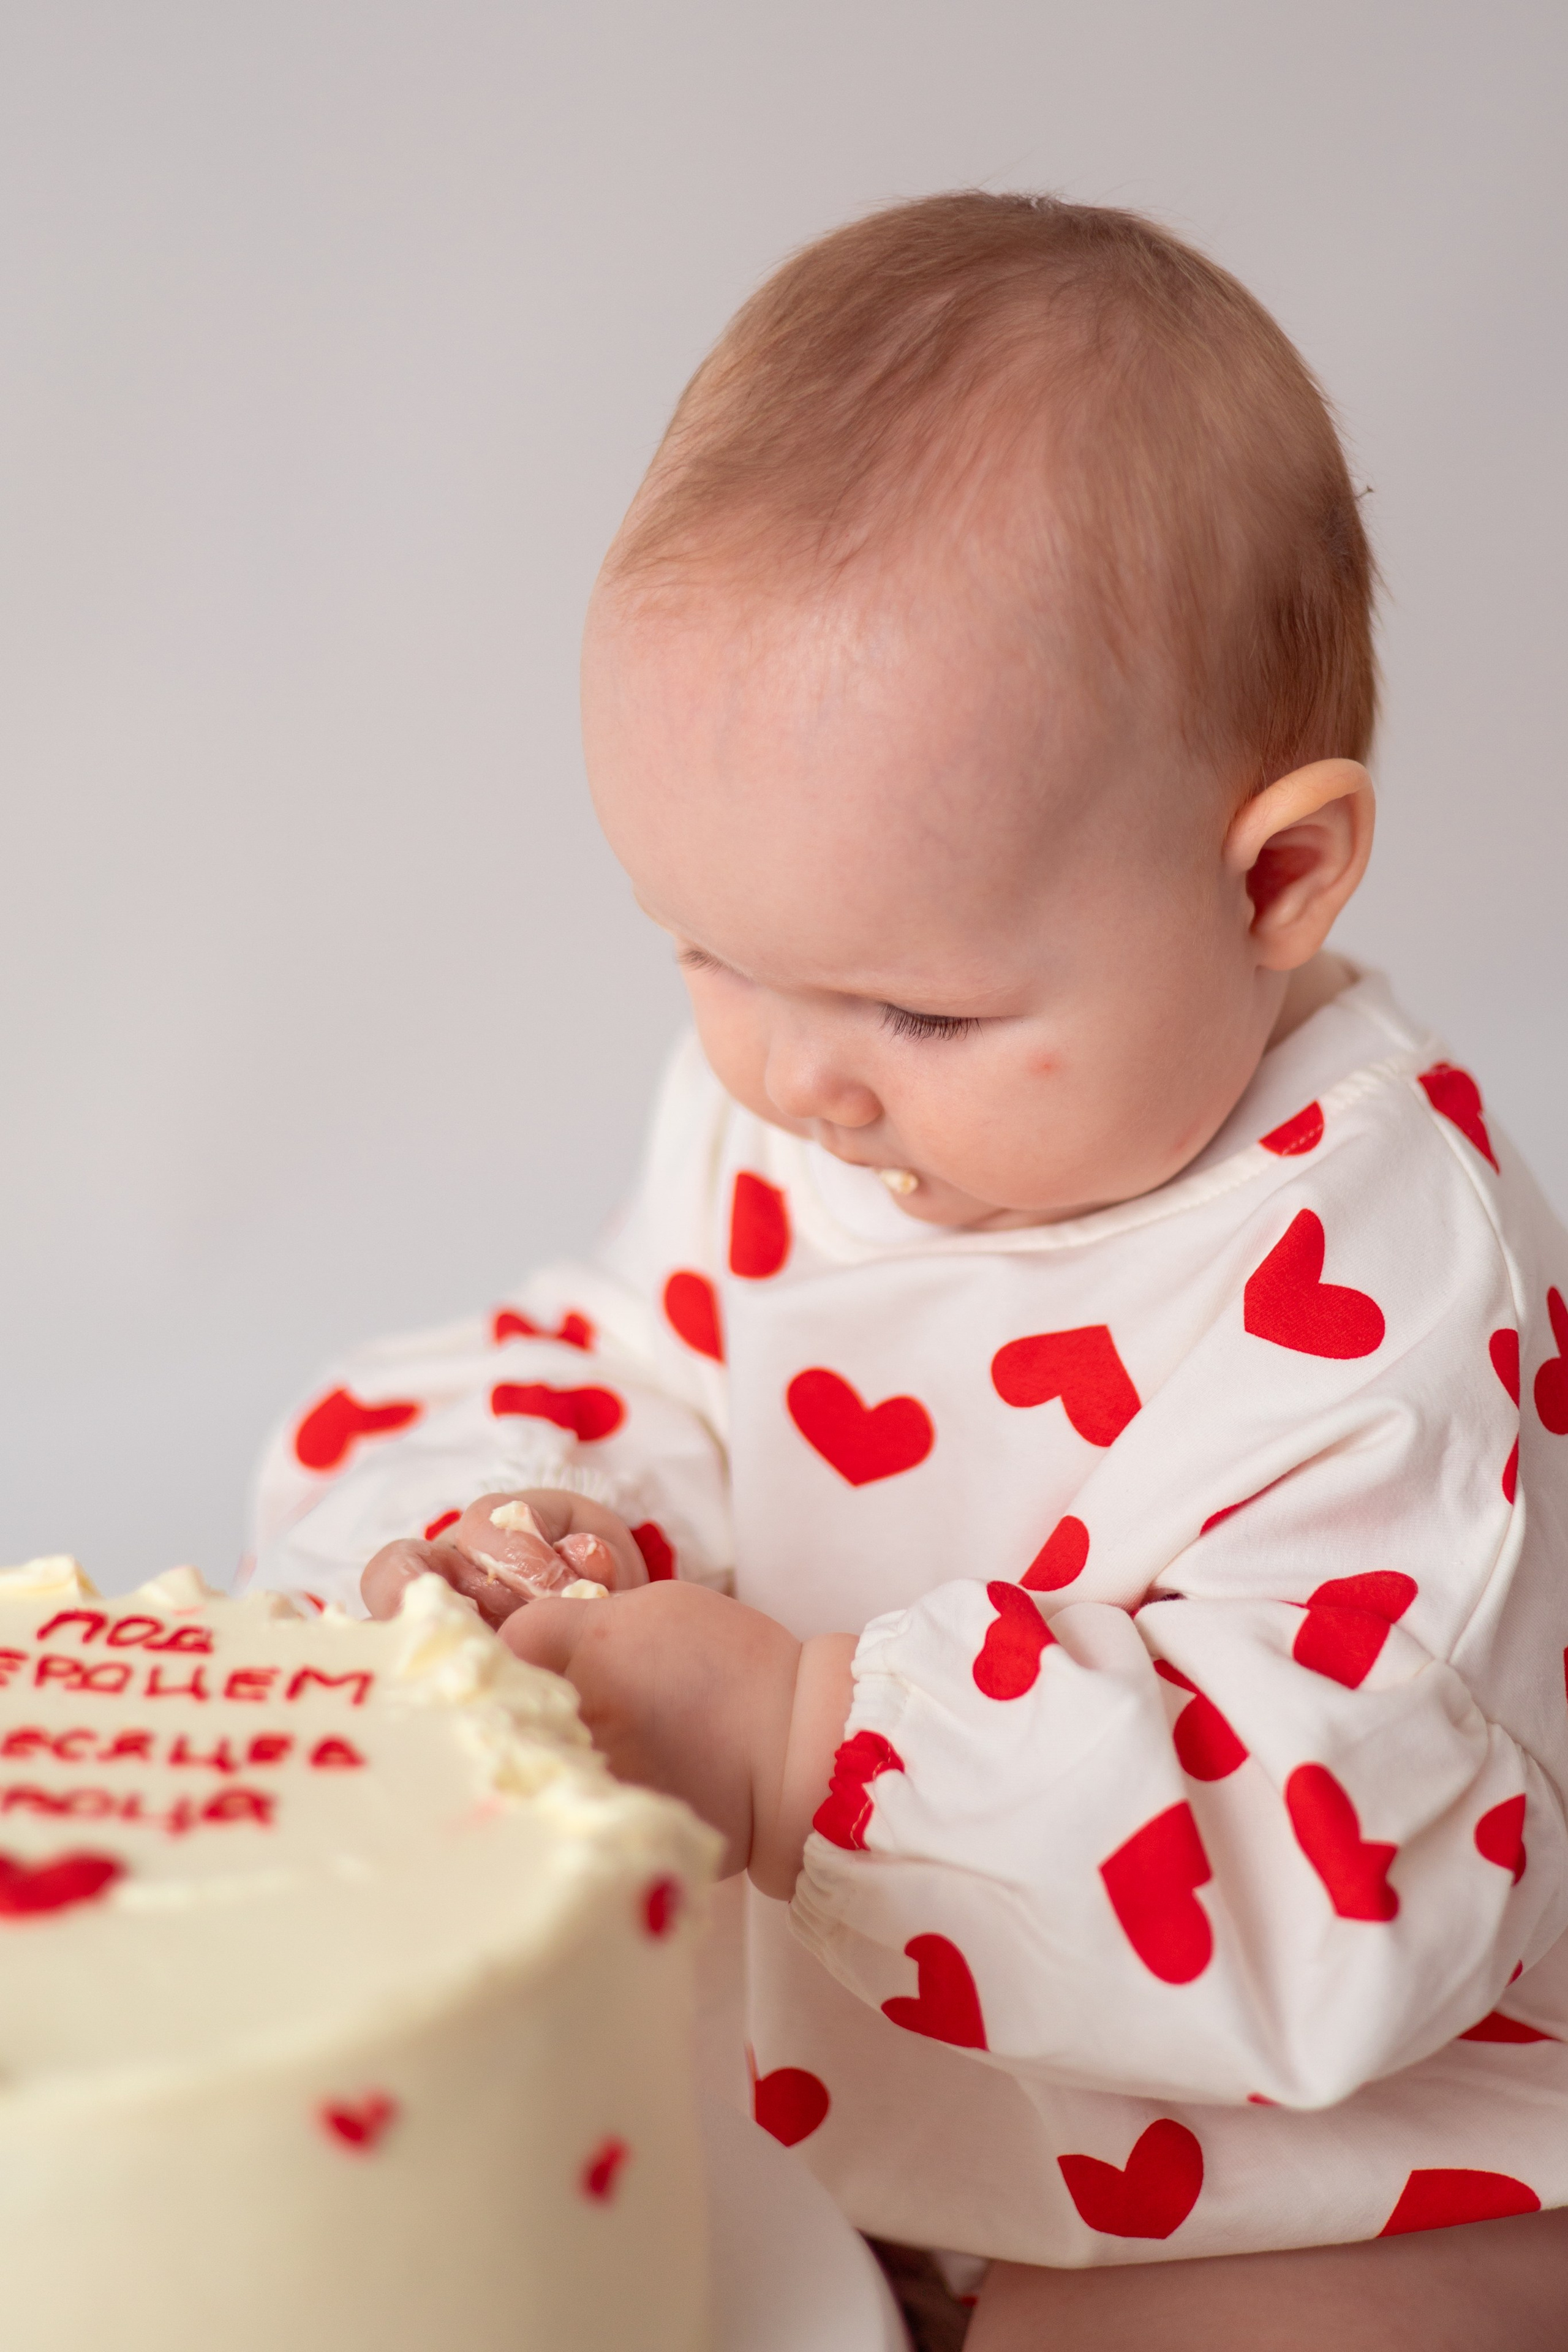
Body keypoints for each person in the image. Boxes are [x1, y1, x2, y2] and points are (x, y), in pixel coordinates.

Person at [249, 194, 1568, 2347]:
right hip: (859, 2103)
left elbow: (1336, 1864)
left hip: (1307, 2167)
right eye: (711, 957)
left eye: (919, 1017)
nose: (794, 1082)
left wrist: (811, 1741)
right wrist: (530, 1517)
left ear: (1275, 879)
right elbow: (643, 1354)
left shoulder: (1375, 1271)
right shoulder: (805, 1089)